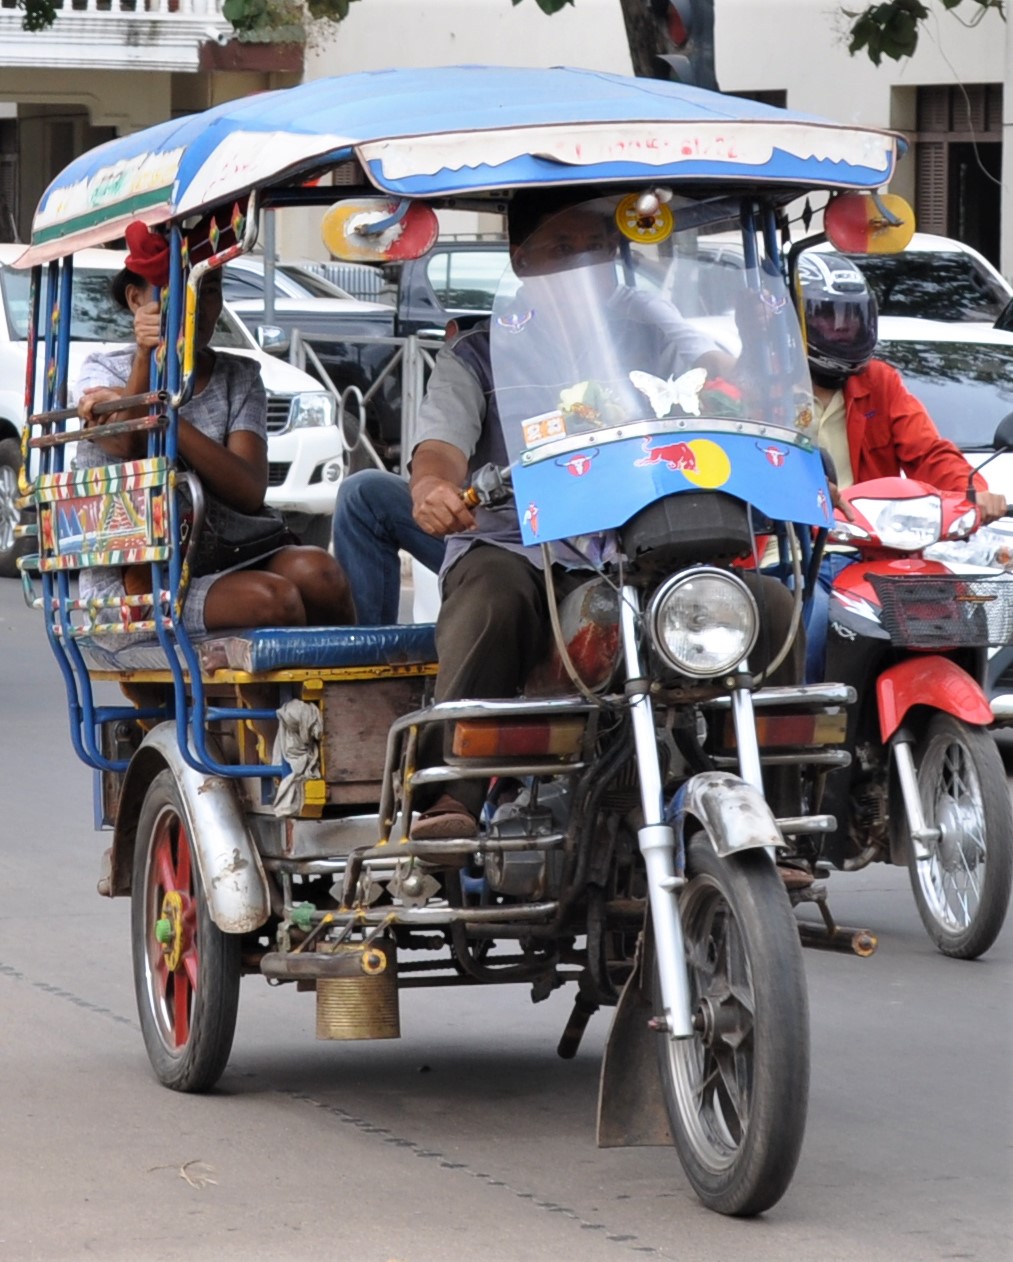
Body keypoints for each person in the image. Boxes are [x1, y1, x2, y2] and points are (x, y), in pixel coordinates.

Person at [406, 190, 802, 842]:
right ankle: (454, 795)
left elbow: (717, 374)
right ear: (520, 258)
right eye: (562, 248)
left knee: (765, 604)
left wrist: (753, 375)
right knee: (490, 597)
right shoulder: (477, 351)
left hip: (640, 544)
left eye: (596, 246)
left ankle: (773, 809)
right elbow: (439, 450)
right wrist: (433, 490)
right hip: (518, 547)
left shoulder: (643, 317)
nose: (582, 262)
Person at [75, 221, 354, 636]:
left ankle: (343, 697)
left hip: (237, 549)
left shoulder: (238, 375)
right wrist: (144, 363)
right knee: (274, 600)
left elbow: (248, 489)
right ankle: (278, 702)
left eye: (209, 289)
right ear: (137, 300)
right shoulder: (101, 370)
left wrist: (165, 413)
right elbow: (126, 443)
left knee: (321, 573)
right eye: (180, 291)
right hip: (143, 576)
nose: (198, 306)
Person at [768, 251, 1008, 681]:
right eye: (828, 321)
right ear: (795, 324)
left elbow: (928, 452)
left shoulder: (878, 381)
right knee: (815, 622)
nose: (842, 331)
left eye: (852, 320)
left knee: (948, 613)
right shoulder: (762, 390)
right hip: (789, 553)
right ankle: (806, 727)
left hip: (873, 551)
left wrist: (973, 493)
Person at [332, 469, 445, 624]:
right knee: (361, 493)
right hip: (472, 507)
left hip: (485, 536)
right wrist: (427, 483)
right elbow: (437, 450)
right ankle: (370, 644)